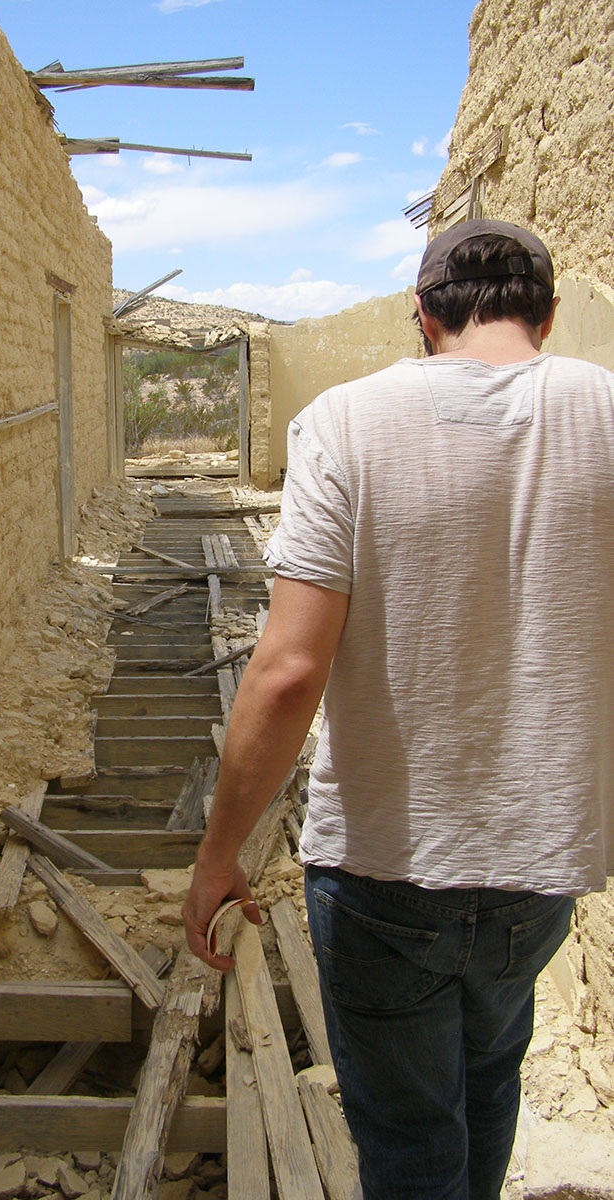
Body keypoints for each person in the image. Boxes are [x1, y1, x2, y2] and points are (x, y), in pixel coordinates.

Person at [182, 219, 614, 1200]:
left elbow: (288, 672)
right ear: (547, 315)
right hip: (541, 863)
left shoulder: (346, 422)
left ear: (422, 316)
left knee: (410, 1138)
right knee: (490, 1073)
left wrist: (220, 855)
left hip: (384, 867)